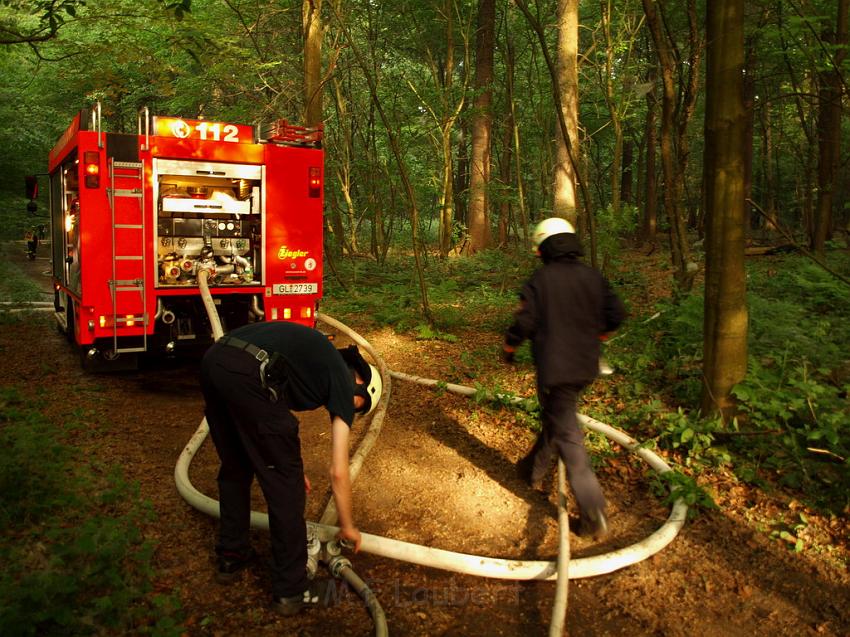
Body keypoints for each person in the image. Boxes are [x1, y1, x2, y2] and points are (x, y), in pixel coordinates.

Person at [200, 321, 382, 615]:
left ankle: (231, 555)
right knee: (286, 488)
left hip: (214, 362)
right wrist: (347, 526)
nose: (352, 411)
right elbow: (339, 470)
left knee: (236, 466)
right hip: (247, 372)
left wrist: (288, 467)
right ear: (362, 385)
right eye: (359, 406)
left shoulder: (315, 361)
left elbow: (264, 422)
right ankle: (291, 589)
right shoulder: (340, 377)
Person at [502, 217, 625, 540]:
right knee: (558, 418)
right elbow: (616, 315)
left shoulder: (539, 281)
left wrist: (510, 346)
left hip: (556, 373)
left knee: (569, 437)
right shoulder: (592, 277)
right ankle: (531, 470)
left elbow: (524, 322)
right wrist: (596, 337)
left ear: (543, 248)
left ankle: (592, 509)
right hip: (586, 369)